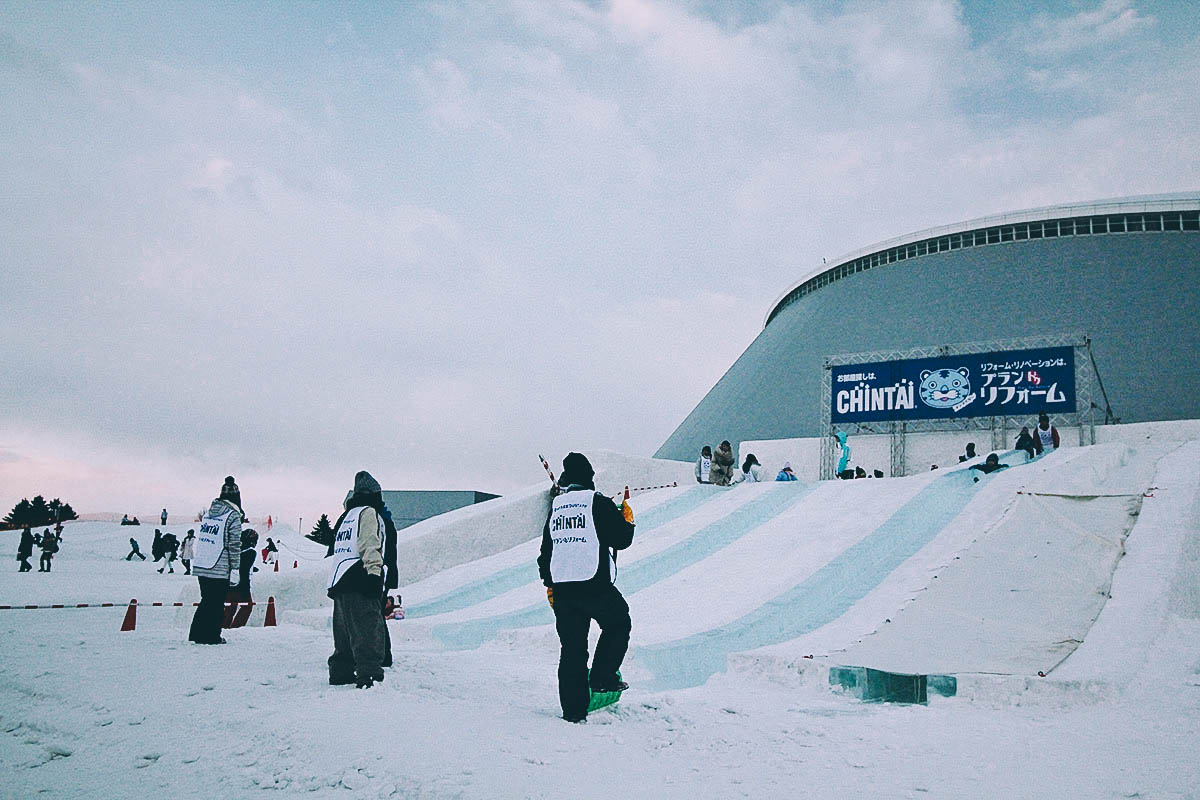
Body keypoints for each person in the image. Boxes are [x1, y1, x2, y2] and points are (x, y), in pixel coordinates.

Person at [538, 452, 636, 723]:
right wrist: (627, 520)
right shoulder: (597, 502)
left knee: (572, 649)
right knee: (618, 622)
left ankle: (573, 710)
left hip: (563, 591)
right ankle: (603, 677)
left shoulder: (556, 507)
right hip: (593, 585)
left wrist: (549, 583)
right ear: (590, 478)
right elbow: (620, 539)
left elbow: (546, 551)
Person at [327, 471, 391, 689]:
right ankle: (369, 673)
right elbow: (368, 543)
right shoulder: (368, 513)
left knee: (344, 632)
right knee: (367, 629)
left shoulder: (347, 516)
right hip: (360, 576)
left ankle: (340, 672)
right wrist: (374, 573)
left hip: (340, 577)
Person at [188, 476, 243, 645]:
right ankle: (211, 636)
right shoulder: (233, 516)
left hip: (202, 564)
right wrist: (235, 568)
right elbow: (234, 544)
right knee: (217, 603)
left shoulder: (209, 513)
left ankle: (196, 634)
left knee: (206, 601)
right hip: (219, 566)